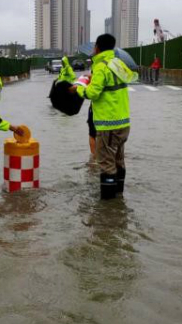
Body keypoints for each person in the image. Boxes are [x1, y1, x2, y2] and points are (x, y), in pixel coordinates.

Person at [70, 34, 134, 200]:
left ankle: (108, 206)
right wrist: (95, 79)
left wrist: (78, 89)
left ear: (97, 47)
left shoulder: (100, 67)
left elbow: (92, 93)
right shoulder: (118, 63)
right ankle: (119, 197)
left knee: (106, 164)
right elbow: (127, 79)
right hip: (123, 123)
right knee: (119, 160)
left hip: (108, 124)